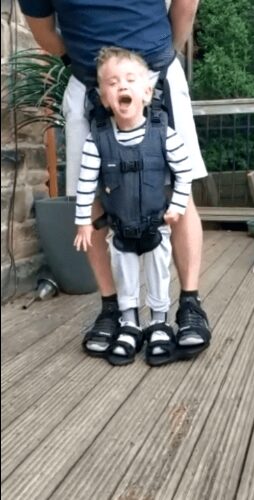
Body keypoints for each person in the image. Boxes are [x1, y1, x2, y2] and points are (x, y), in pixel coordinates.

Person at [18, 1, 211, 358]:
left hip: (156, 78)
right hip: (90, 86)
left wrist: (156, 59)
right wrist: (99, 65)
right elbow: (46, 35)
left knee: (179, 193)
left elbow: (186, 4)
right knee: (88, 199)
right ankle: (114, 311)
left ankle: (189, 306)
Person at [74, 47, 190, 366]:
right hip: (120, 230)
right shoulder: (96, 142)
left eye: (130, 79)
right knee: (124, 276)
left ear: (147, 91)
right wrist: (84, 221)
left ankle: (159, 322)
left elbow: (185, 174)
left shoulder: (163, 134)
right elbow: (85, 184)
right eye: (112, 83)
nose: (122, 86)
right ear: (103, 97)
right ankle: (128, 324)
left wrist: (177, 207)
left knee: (157, 274)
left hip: (156, 228)